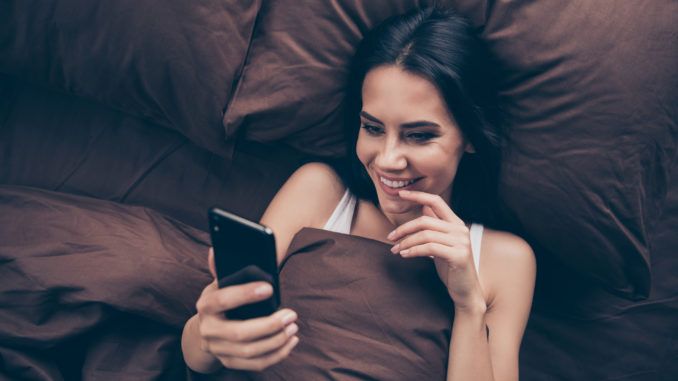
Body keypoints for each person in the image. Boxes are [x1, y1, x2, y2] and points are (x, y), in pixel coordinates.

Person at [182, 7, 535, 380]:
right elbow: (197, 356)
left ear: (471, 138)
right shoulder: (319, 192)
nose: (387, 160)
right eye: (373, 128)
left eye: (419, 135)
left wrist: (468, 305)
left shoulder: (505, 260)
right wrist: (209, 331)